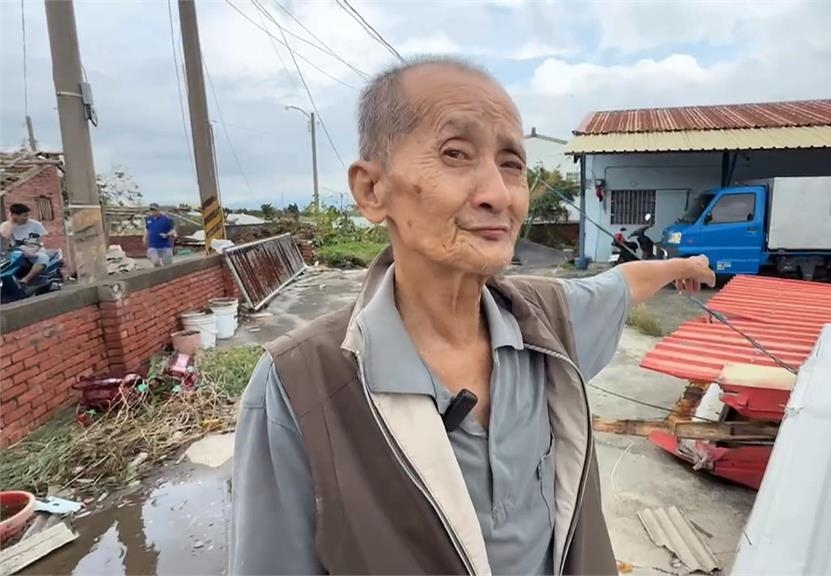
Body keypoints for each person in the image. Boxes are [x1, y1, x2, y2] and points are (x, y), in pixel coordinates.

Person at [229, 56, 716, 576]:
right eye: (455, 154)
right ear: (373, 191)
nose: (498, 195)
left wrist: (685, 265)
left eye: (511, 164)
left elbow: (620, 283)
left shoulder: (547, 320)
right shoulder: (302, 385)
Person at [0, 203, 50, 286]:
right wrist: (11, 221)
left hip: (35, 249)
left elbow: (44, 239)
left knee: (43, 257)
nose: (26, 218)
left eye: (27, 215)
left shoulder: (36, 224)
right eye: (24, 216)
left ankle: (26, 279)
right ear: (14, 215)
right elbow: (6, 236)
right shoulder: (5, 225)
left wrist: (35, 248)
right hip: (15, 251)